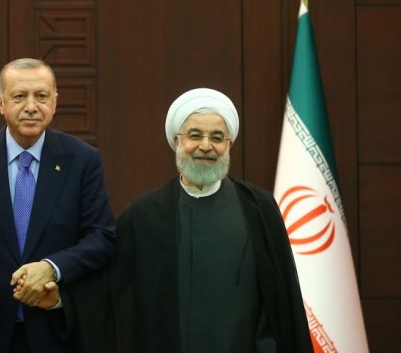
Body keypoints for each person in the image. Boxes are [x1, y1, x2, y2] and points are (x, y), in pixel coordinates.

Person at [35, 88, 313, 352]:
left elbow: (283, 301)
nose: (206, 146)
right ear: (177, 141)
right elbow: (109, 288)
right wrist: (62, 302)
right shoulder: (145, 214)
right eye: (195, 135)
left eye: (217, 137)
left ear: (229, 145)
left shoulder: (259, 209)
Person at [0, 58, 117, 353]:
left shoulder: (82, 160)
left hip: (57, 330)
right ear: (0, 103)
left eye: (41, 96)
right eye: (19, 96)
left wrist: (52, 268)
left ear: (55, 102)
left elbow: (102, 237)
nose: (31, 106)